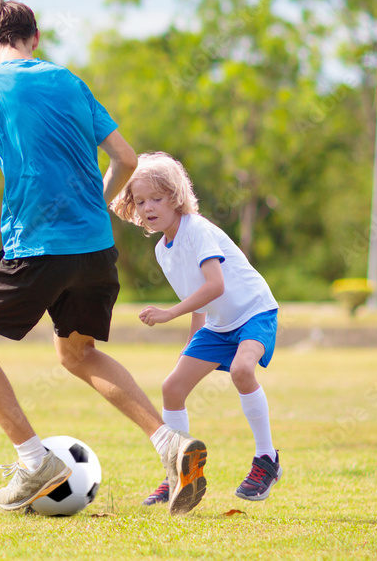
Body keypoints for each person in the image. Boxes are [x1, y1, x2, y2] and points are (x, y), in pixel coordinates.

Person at [0, 0, 209, 516]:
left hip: (37, 246)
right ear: (36, 38)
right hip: (94, 248)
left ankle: (34, 461)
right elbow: (126, 158)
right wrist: (96, 208)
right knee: (78, 354)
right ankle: (169, 443)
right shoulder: (69, 81)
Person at [111, 151, 282, 504]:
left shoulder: (197, 230)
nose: (148, 207)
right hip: (218, 326)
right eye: (140, 201)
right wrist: (190, 345)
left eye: (157, 198)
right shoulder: (163, 249)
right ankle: (179, 473)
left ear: (175, 197)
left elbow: (215, 286)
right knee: (172, 387)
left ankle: (267, 458)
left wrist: (168, 314)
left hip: (254, 312)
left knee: (242, 370)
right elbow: (199, 300)